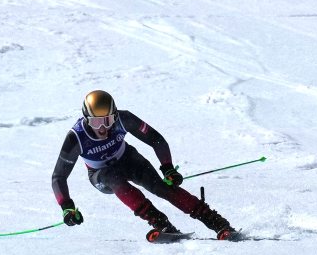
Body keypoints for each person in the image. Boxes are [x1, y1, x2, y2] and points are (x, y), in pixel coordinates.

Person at [51, 90, 237, 241]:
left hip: (127, 159)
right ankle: (159, 222)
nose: (102, 128)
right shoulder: (76, 138)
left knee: (161, 187)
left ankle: (216, 222)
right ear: (86, 119)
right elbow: (58, 176)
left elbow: (156, 140)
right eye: (96, 122)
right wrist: (67, 206)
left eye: (107, 120)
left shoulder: (124, 119)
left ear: (115, 116)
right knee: (113, 178)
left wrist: (167, 168)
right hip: (100, 174)